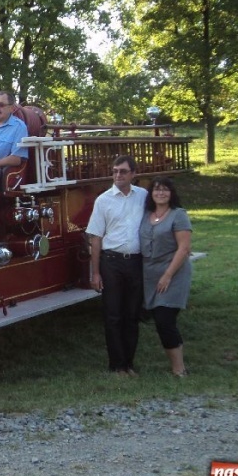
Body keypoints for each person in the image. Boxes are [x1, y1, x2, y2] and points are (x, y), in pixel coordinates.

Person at [85, 155, 147, 376]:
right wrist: (95, 273)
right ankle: (116, 365)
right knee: (113, 316)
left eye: (123, 171)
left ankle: (129, 363)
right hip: (111, 262)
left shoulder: (143, 197)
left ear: (133, 174)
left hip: (136, 262)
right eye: (115, 171)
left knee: (132, 315)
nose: (118, 175)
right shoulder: (103, 200)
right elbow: (95, 238)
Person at [139, 176, 193, 377]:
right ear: (151, 193)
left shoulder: (178, 215)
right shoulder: (146, 215)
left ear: (171, 193)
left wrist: (168, 275)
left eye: (165, 190)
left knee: (165, 320)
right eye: (156, 189)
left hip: (173, 273)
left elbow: (184, 247)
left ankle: (179, 369)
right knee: (157, 318)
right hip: (150, 274)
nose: (160, 193)